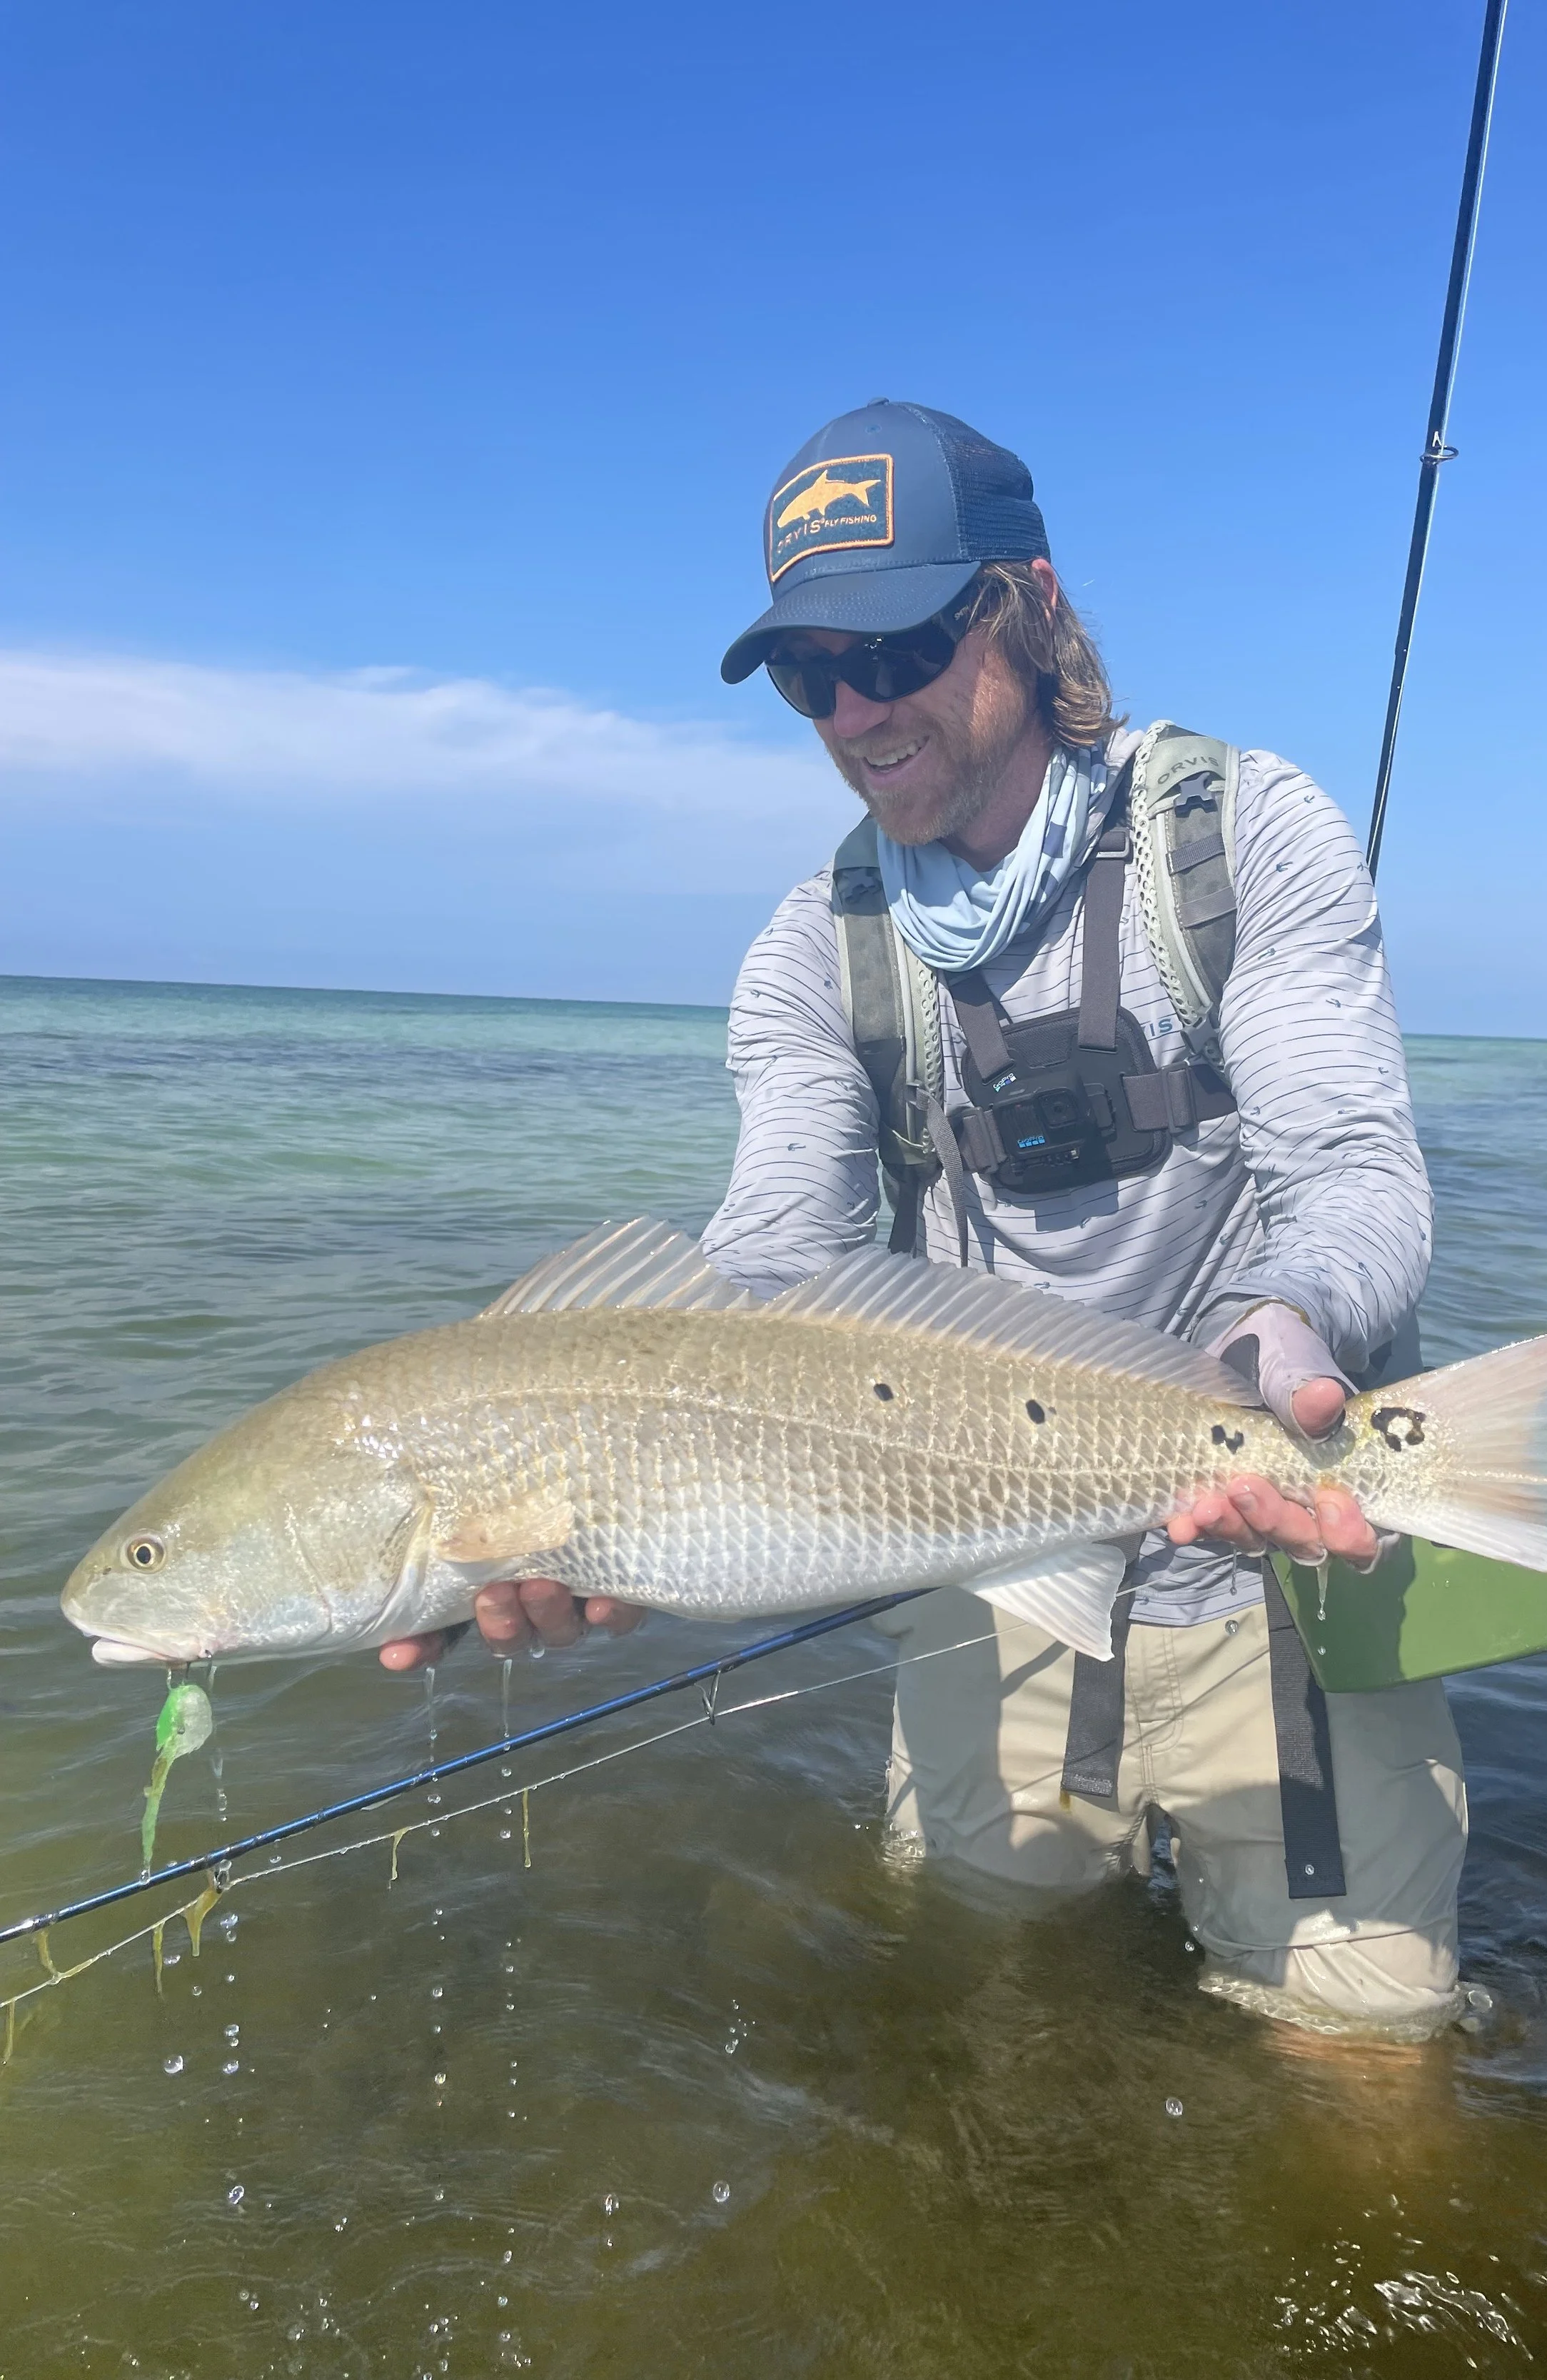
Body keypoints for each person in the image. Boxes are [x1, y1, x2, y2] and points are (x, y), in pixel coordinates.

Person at [385, 401, 1467, 2037]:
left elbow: (1354, 1171)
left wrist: (1288, 1323)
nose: (857, 710)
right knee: (980, 2017)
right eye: (812, 674)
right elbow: (766, 1257)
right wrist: (586, 1491)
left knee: (1364, 2059)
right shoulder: (813, 946)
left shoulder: (1237, 839)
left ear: (1022, 606)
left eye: (892, 644)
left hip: (1283, 1566)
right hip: (978, 1562)